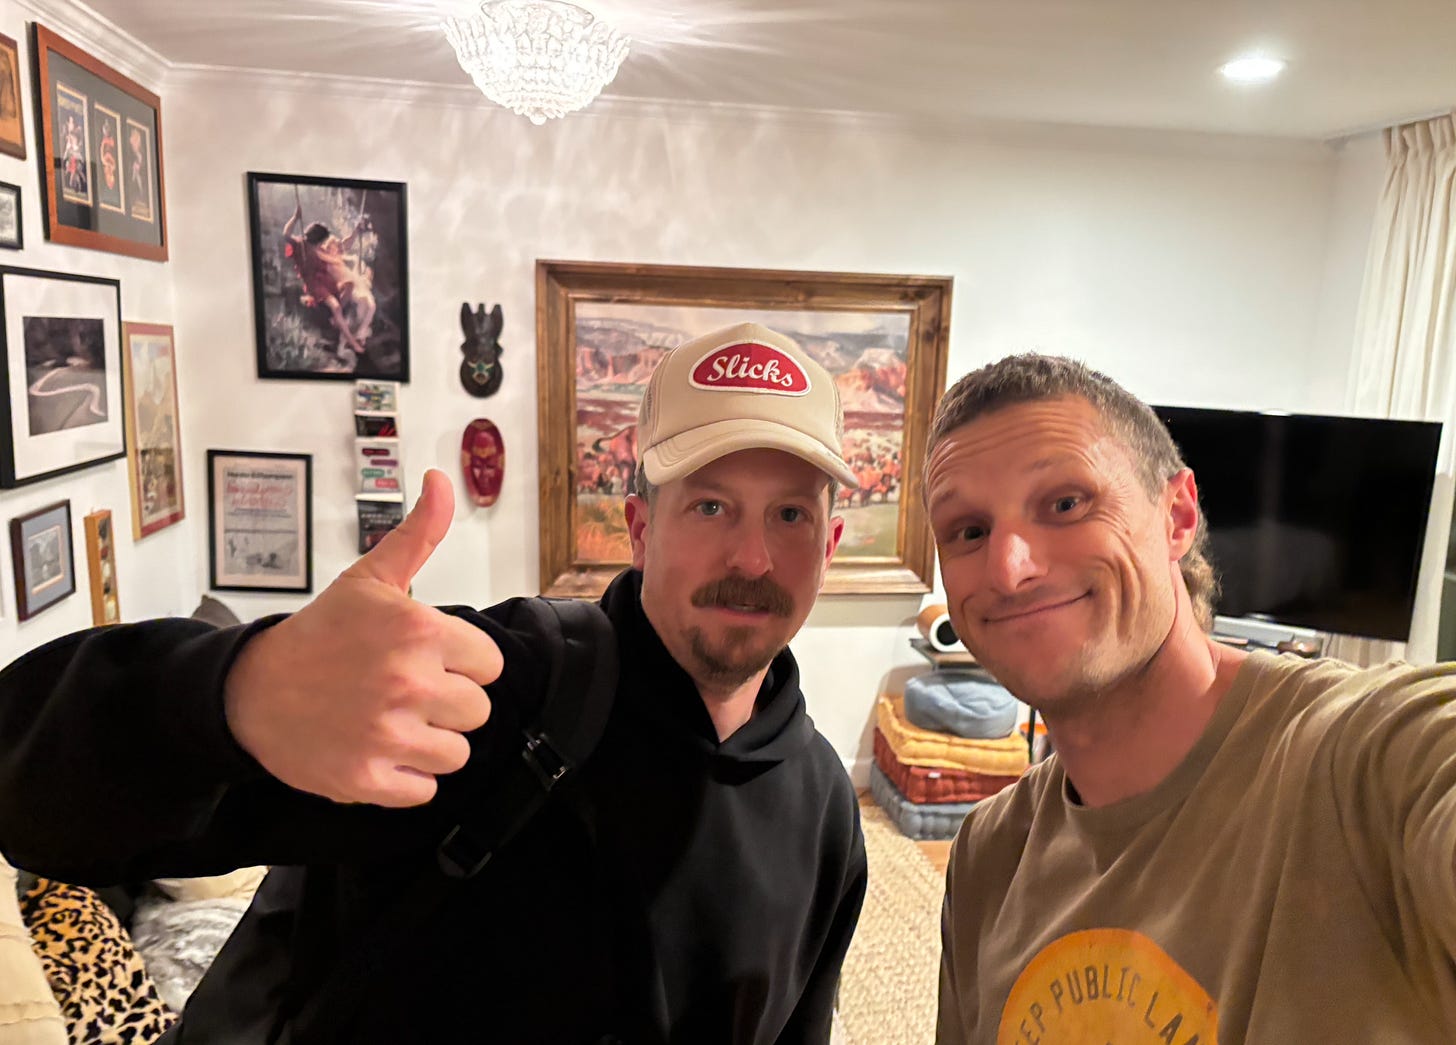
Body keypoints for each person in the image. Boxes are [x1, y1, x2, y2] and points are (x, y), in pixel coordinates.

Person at [0, 321, 867, 1044]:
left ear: (828, 547)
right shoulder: (489, 689)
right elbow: (30, 798)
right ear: (640, 529)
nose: (753, 558)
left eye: (790, 513)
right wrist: (235, 693)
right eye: (710, 506)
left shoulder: (827, 813)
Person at [925, 353, 1456, 1043]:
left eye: (1066, 504)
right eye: (970, 531)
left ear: (1177, 515)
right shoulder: (988, 854)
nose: (1009, 568)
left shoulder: (1366, 760)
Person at [280, 202, 377, 357]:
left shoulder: (319, 248)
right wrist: (295, 217)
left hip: (326, 281)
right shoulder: (301, 245)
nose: (323, 244)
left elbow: (342, 246)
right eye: (322, 241)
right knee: (336, 307)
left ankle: (338, 319)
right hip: (316, 285)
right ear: (317, 239)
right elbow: (286, 234)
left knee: (349, 285)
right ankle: (352, 341)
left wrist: (355, 232)